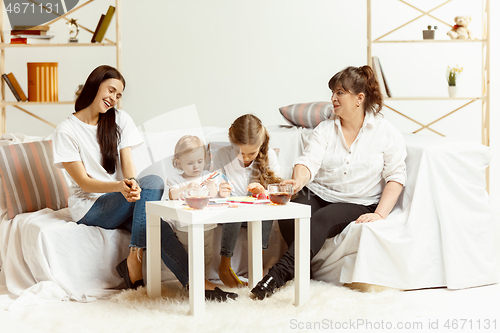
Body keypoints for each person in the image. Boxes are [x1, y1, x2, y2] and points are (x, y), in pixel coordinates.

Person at [52, 65, 237, 301]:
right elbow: (85, 183)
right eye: (110, 90)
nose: (113, 99)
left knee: (156, 224)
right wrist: (121, 186)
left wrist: (131, 185)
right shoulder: (67, 131)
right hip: (91, 207)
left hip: (122, 197)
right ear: (95, 85)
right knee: (154, 181)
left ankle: (196, 283)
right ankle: (135, 260)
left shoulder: (119, 119)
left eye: (118, 95)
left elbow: (128, 167)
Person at [251, 65, 407, 300]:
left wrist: (380, 214)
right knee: (292, 210)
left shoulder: (386, 133)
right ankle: (304, 265)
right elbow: (308, 162)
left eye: (340, 93)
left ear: (359, 99)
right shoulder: (325, 129)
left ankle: (278, 275)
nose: (333, 98)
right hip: (320, 194)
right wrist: (297, 181)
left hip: (357, 201)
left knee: (322, 219)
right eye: (333, 92)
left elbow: (396, 177)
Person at [213, 114, 282, 287]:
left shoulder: (270, 155)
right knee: (236, 207)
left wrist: (262, 192)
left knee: (266, 211)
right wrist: (219, 190)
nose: (245, 158)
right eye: (240, 153)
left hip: (256, 215)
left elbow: (278, 191)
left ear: (260, 146)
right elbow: (212, 186)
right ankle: (224, 266)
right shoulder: (222, 155)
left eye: (251, 153)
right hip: (231, 214)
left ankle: (257, 266)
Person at [166, 135, 219, 276]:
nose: (196, 166)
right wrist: (186, 187)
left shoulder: (208, 176)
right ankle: (190, 283)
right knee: (189, 257)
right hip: (185, 228)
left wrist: (213, 187)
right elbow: (172, 195)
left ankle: (205, 282)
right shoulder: (176, 180)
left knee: (207, 256)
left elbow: (214, 195)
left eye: (200, 161)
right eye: (190, 163)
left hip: (208, 225)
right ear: (179, 163)